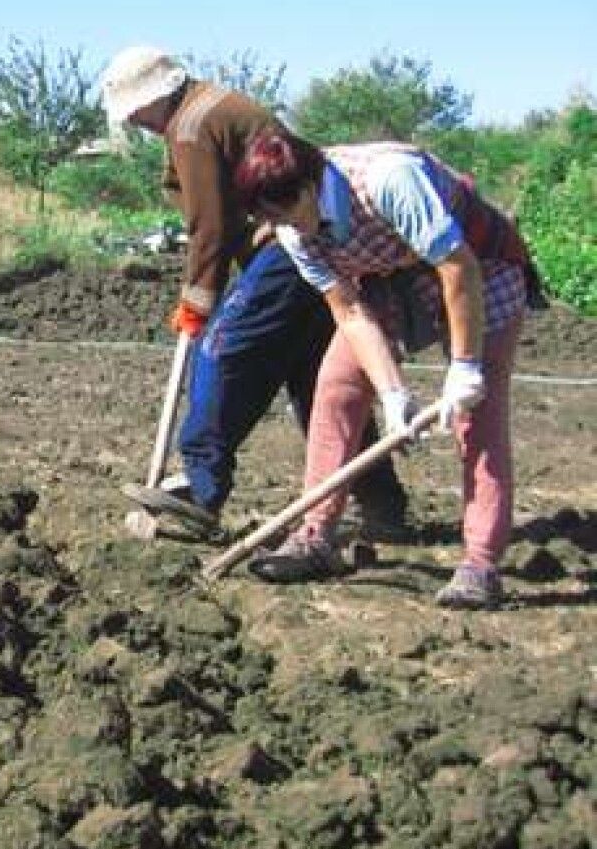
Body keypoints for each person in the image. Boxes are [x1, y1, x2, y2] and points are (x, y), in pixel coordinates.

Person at [99, 46, 407, 537]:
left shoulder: (190, 126)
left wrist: (197, 301)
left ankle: (201, 494)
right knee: (313, 374)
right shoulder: (208, 108)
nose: (136, 121)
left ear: (157, 95)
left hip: (287, 247)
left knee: (223, 350)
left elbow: (210, 227)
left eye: (136, 111)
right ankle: (381, 502)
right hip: (308, 239)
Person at [232, 130, 543, 608]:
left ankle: (480, 564)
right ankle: (314, 533)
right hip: (391, 279)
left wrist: (465, 367)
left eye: (280, 213)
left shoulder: (391, 180)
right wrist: (393, 393)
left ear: (309, 189)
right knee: (336, 385)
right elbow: (350, 311)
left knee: (476, 415)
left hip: (480, 272)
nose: (278, 227)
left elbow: (457, 268)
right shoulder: (294, 230)